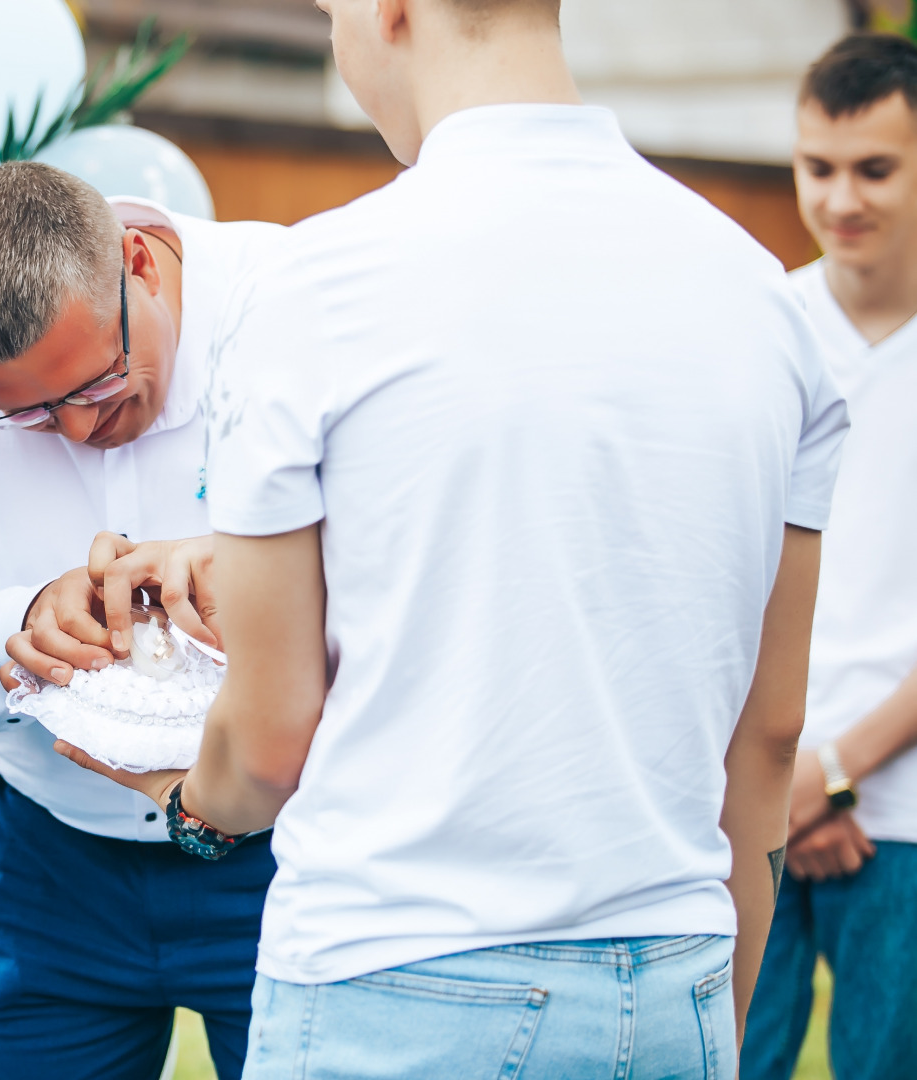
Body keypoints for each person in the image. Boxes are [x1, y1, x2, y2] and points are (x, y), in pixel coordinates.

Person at [62, 0, 849, 1076]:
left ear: (390, 11)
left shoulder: (321, 284)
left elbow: (269, 734)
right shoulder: (764, 295)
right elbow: (770, 732)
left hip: (399, 975)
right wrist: (717, 1007)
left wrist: (185, 809)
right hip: (675, 973)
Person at [0, 162, 285, 1080]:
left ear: (137, 261)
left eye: (94, 385)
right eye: (23, 414)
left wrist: (245, 576)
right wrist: (20, 628)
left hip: (292, 857)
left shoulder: (295, 305)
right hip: (42, 872)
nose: (74, 432)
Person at [742, 34, 917, 1080]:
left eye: (876, 168)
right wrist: (783, 781)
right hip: (753, 794)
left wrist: (838, 776)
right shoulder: (765, 328)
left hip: (901, 818)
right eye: (818, 167)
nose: (841, 197)